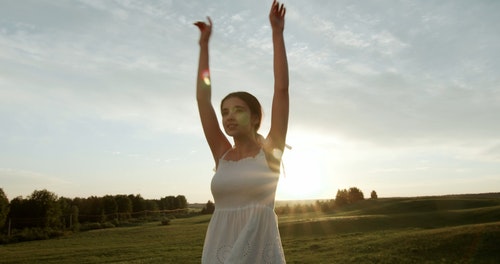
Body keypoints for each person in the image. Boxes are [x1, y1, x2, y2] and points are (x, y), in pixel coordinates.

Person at [194, 1, 289, 263]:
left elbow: (281, 91)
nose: (229, 116)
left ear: (256, 117)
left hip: (258, 254)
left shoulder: (270, 153)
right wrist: (204, 47)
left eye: (238, 110)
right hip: (218, 252)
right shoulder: (222, 155)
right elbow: (203, 100)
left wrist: (277, 34)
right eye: (225, 112)